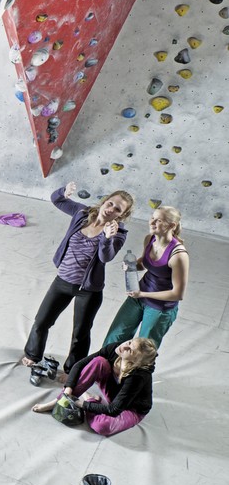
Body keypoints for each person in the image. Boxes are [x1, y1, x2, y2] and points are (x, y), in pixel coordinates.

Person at [21, 183, 133, 374]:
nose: (111, 209)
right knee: (42, 321)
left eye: (118, 209)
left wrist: (107, 237)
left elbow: (106, 257)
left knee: (80, 334)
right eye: (111, 203)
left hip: (87, 291)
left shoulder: (118, 233)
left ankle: (73, 370)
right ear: (105, 201)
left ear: (121, 215)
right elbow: (57, 199)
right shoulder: (83, 213)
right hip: (62, 281)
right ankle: (33, 354)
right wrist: (63, 190)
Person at [32, 338, 156, 437]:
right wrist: (69, 388)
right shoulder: (116, 348)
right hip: (113, 393)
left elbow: (114, 410)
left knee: (102, 426)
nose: (124, 346)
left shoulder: (138, 376)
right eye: (129, 342)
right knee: (98, 362)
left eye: (130, 350)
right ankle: (58, 401)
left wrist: (83, 404)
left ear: (136, 362)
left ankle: (91, 399)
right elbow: (79, 364)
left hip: (130, 409)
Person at [102, 206, 188, 349]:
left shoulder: (179, 255)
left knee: (142, 351)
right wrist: (132, 265)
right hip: (138, 297)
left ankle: (131, 372)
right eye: (152, 218)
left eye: (158, 220)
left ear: (172, 225)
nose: (152, 222)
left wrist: (142, 293)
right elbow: (144, 263)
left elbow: (177, 294)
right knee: (114, 338)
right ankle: (101, 369)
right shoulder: (150, 239)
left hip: (160, 307)